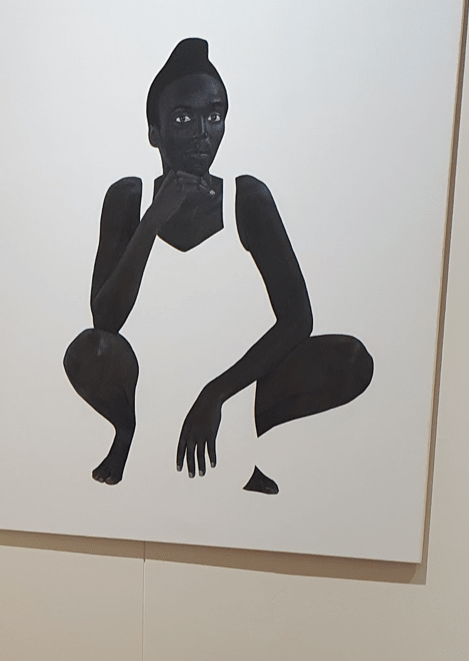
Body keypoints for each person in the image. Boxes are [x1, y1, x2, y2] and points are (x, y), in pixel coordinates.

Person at [64, 37, 373, 491]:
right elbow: (105, 321)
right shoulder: (129, 198)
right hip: (145, 374)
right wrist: (152, 221)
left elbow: (298, 319)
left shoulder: (247, 199)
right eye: (183, 119)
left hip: (238, 380)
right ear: (154, 132)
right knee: (86, 352)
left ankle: (249, 442)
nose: (202, 133)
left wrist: (217, 391)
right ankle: (129, 431)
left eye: (214, 116)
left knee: (351, 359)